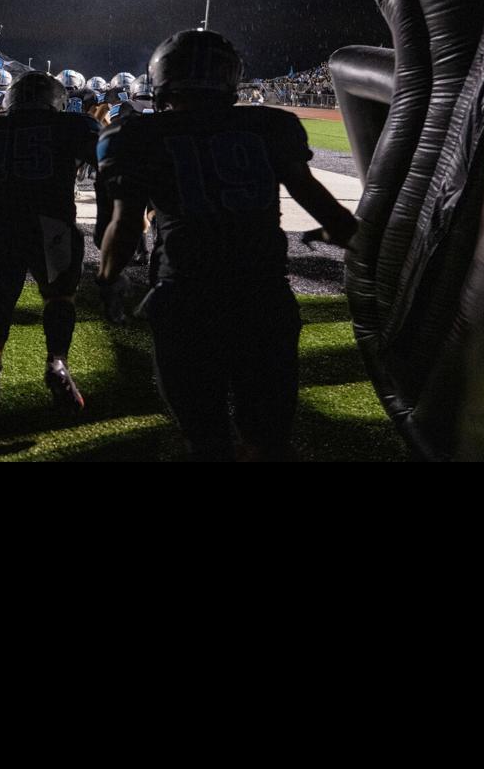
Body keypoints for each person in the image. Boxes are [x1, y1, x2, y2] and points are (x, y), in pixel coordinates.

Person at [97, 30, 358, 461]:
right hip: (261, 296)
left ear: (162, 76)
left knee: (205, 437)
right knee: (269, 438)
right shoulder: (270, 126)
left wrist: (108, 279)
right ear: (230, 78)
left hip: (186, 296)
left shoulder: (135, 134)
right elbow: (319, 203)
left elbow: (126, 226)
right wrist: (334, 231)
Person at [0, 71, 100, 462]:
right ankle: (57, 360)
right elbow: (107, 174)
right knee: (59, 297)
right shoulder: (76, 124)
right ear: (57, 100)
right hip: (53, 224)